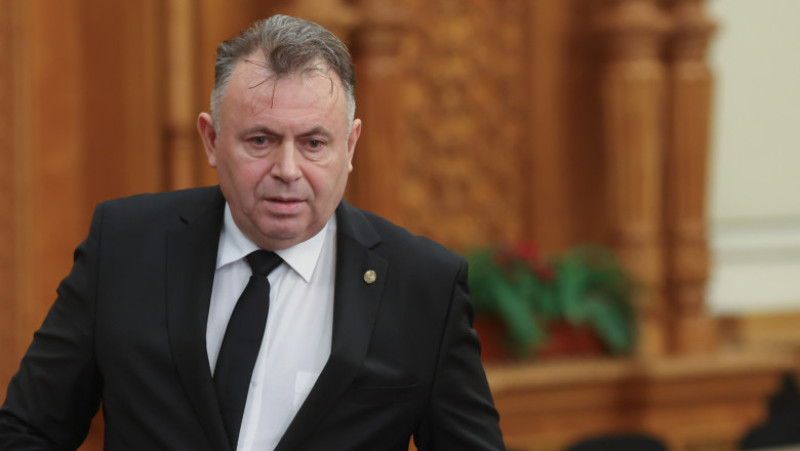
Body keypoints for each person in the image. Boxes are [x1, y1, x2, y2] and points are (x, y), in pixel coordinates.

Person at [0, 14, 505, 451]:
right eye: (261, 140)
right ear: (212, 139)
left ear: (350, 146)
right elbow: (25, 431)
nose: (287, 170)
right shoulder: (125, 247)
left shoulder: (424, 287)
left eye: (313, 143)